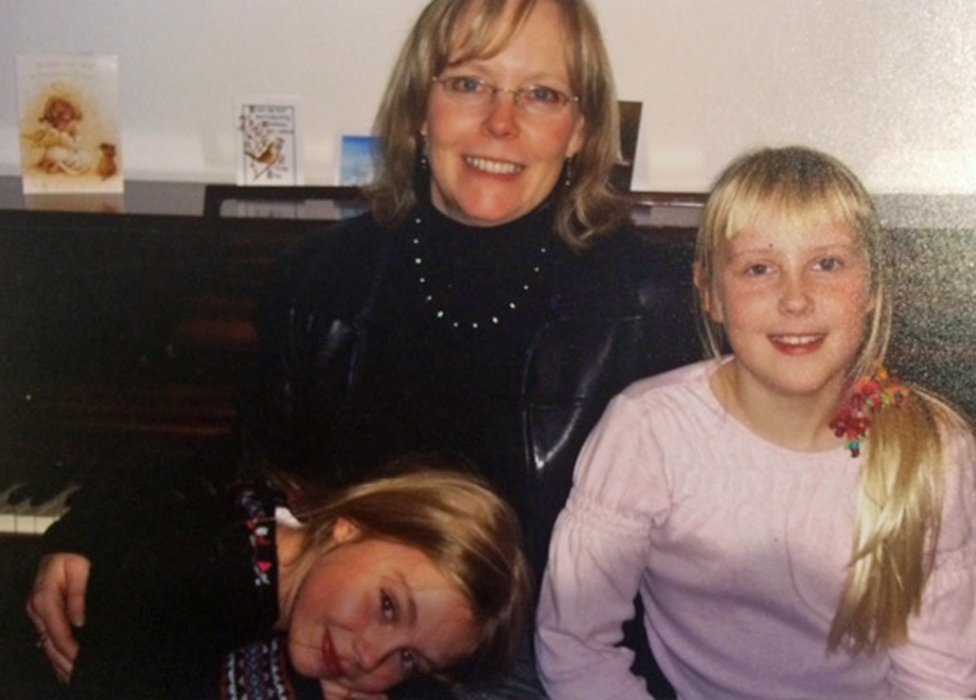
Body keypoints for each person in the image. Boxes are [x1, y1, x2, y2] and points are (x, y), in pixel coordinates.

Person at [27, 0, 699, 697]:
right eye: (468, 83)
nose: (502, 122)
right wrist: (94, 525)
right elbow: (246, 465)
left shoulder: (648, 300)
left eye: (541, 94)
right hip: (359, 647)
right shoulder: (321, 281)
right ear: (418, 108)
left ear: (580, 130)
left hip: (554, 661)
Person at [535, 145, 976, 698]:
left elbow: (939, 679)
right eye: (759, 269)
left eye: (828, 264)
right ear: (711, 294)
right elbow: (575, 643)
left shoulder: (937, 449)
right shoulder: (649, 432)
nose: (796, 299)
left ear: (872, 289)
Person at [56, 458, 531, 700]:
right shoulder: (204, 584)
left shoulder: (276, 523)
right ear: (353, 525)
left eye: (408, 658)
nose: (370, 656)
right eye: (387, 605)